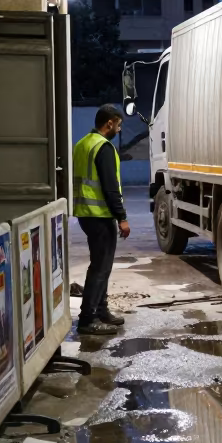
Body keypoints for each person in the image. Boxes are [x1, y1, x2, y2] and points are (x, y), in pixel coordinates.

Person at [72, 104, 131, 336]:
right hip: (100, 215)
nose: (119, 128)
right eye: (119, 124)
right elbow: (110, 187)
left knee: (101, 266)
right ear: (109, 123)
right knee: (100, 267)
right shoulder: (104, 148)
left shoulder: (82, 144)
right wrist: (122, 218)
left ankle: (101, 309)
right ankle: (88, 318)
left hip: (86, 214)